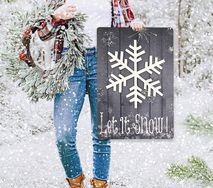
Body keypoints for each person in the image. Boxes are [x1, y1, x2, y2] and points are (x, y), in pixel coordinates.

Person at [48, 0, 144, 187]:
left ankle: (100, 183)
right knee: (63, 134)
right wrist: (55, 16)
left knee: (102, 133)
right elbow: (41, 28)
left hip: (103, 59)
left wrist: (135, 25)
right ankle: (76, 180)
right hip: (70, 62)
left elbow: (127, 20)